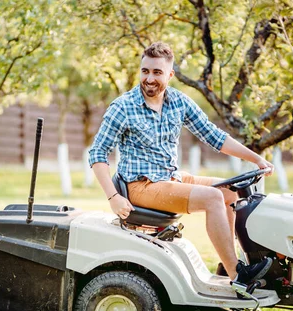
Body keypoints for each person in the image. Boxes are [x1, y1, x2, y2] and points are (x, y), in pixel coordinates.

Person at [88, 41, 274, 288]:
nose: (149, 78)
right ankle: (238, 276)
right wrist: (113, 197)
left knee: (232, 192)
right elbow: (97, 153)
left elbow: (213, 135)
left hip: (171, 178)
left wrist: (256, 159)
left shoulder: (178, 102)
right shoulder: (123, 107)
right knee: (212, 198)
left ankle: (226, 264)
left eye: (157, 72)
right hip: (141, 186)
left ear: (170, 74)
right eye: (145, 71)